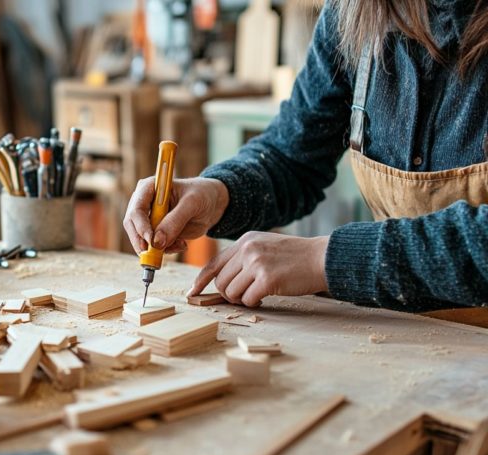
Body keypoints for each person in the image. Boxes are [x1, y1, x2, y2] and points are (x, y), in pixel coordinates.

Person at [123, 0, 488, 317]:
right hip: (404, 337)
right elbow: (293, 154)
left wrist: (325, 260)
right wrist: (218, 193)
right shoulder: (356, 13)